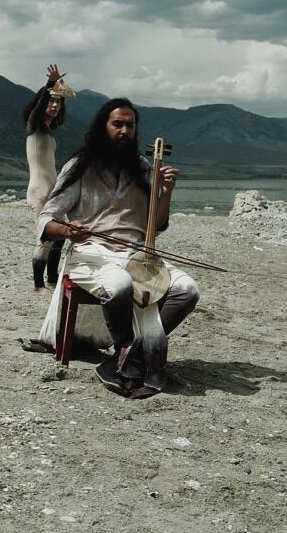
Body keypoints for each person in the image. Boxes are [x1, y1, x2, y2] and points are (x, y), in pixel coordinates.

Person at [38, 98, 199, 399]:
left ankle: (124, 357)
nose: (125, 130)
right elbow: (47, 219)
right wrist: (69, 231)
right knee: (120, 284)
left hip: (137, 255)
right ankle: (131, 351)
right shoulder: (80, 165)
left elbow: (157, 224)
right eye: (118, 124)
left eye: (131, 125)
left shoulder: (143, 167)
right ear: (104, 127)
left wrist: (166, 192)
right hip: (91, 252)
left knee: (188, 290)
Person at [22, 63, 71, 292]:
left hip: (53, 190)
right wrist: (50, 85)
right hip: (40, 191)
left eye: (57, 102)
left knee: (60, 235)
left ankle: (52, 280)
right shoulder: (34, 127)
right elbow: (37, 107)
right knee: (45, 237)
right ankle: (39, 285)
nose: (53, 105)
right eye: (50, 101)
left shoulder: (50, 134)